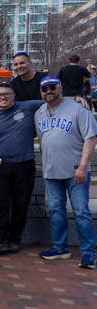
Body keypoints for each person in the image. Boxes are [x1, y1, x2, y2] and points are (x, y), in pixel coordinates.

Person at [34, 76, 97, 269]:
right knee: (56, 211)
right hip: (51, 171)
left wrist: (83, 165)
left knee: (81, 212)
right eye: (45, 89)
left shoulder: (79, 109)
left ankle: (88, 254)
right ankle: (61, 248)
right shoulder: (39, 113)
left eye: (52, 88)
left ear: (60, 87)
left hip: (75, 171)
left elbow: (91, 138)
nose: (49, 92)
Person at [0, 82, 44, 256]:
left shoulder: (28, 107)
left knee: (21, 205)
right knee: (1, 204)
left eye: (6, 94)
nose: (3, 97)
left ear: (14, 95)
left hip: (25, 165)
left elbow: (51, 100)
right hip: (1, 166)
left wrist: (75, 99)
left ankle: (14, 240)